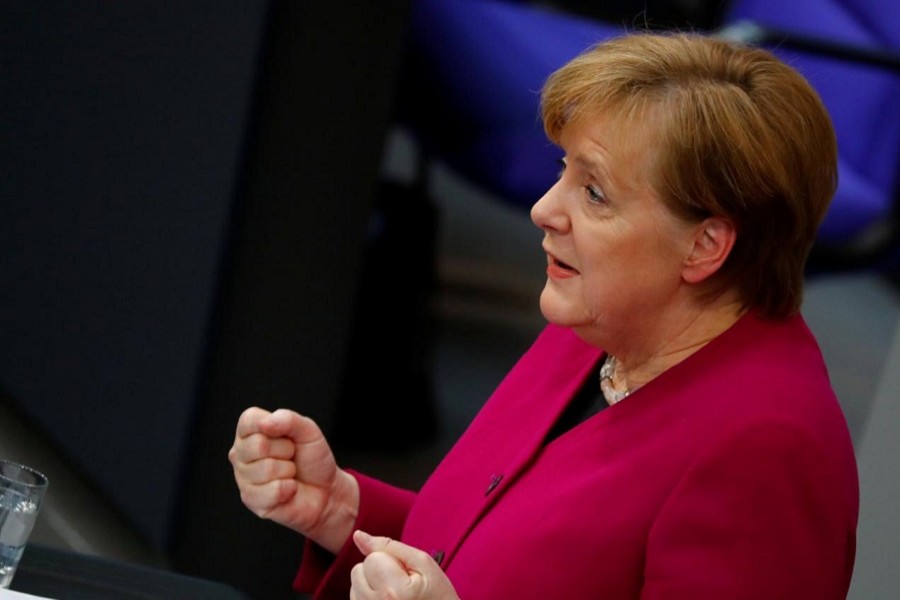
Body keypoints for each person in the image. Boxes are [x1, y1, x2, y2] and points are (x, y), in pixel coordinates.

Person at [228, 31, 859, 599]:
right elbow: (504, 554)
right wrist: (343, 512)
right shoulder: (599, 319)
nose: (543, 210)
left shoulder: (771, 453)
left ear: (705, 246)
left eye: (594, 192)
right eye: (564, 169)